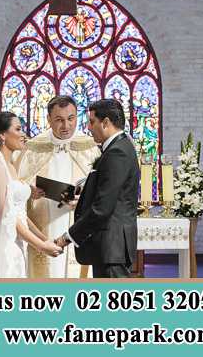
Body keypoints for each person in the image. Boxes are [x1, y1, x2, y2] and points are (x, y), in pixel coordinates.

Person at [0, 112, 62, 278]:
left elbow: (18, 213)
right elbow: (7, 217)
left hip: (15, 242)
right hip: (3, 245)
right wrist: (41, 246)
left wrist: (44, 238)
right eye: (18, 129)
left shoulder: (9, 166)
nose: (23, 134)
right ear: (2, 135)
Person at [15, 96, 101, 278]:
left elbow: (103, 192)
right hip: (43, 226)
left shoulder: (90, 148)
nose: (66, 126)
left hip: (78, 225)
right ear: (48, 119)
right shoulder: (33, 149)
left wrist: (84, 201)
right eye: (59, 120)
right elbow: (15, 191)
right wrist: (30, 192)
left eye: (71, 119)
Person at [54, 99, 139, 278]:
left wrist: (67, 237)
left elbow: (102, 209)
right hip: (109, 248)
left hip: (111, 247)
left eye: (92, 122)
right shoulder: (117, 148)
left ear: (106, 122)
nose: (89, 128)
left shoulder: (117, 152)